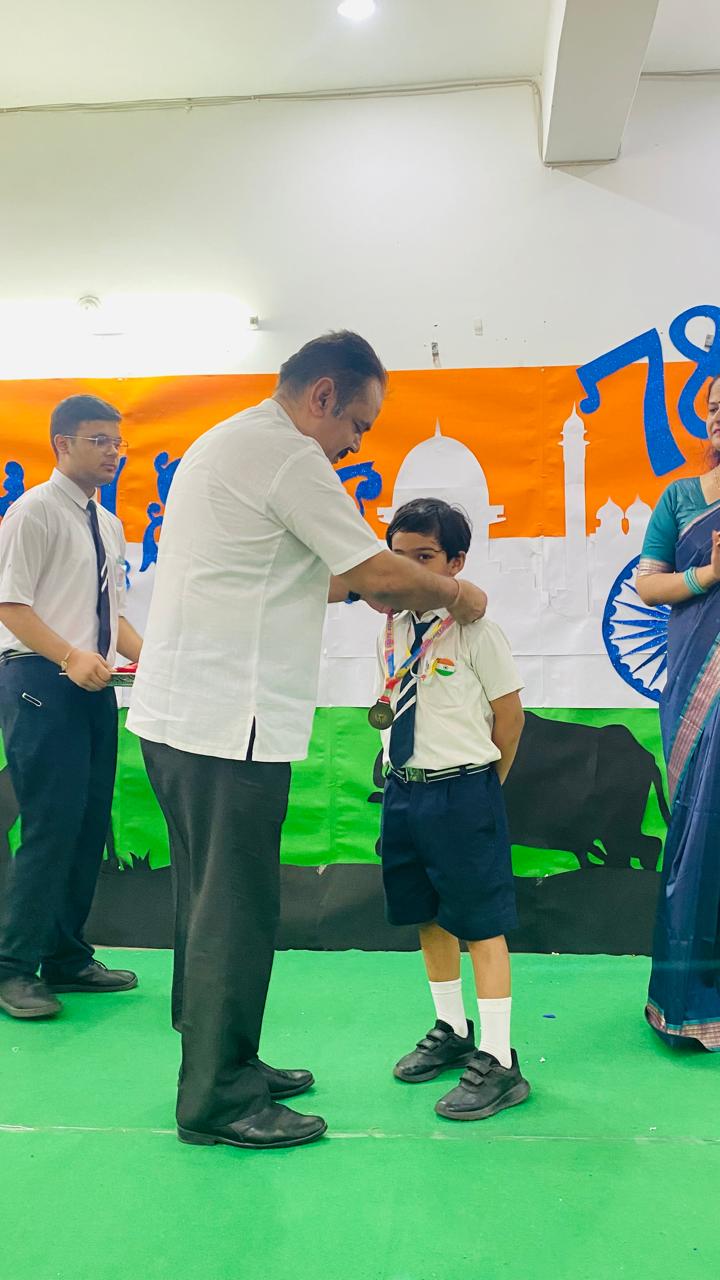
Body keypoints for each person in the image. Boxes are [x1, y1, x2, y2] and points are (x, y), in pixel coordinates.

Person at [126, 331, 489, 1152]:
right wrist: (454, 592)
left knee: (206, 905)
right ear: (322, 395)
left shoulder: (228, 440)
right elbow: (377, 571)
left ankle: (224, 1058)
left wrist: (369, 586)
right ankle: (217, 1098)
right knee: (234, 911)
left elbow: (296, 575)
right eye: (356, 423)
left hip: (186, 721)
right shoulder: (289, 455)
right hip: (227, 727)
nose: (355, 443)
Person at [374, 498, 529, 1120]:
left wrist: (483, 786)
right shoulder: (391, 628)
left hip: (463, 791)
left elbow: (509, 719)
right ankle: (452, 1028)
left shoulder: (477, 632)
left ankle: (499, 1057)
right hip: (404, 790)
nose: (410, 569)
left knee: (481, 924)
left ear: (456, 563)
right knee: (427, 915)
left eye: (426, 556)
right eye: (399, 555)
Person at [0, 395, 143, 1020]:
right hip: (41, 680)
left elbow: (110, 617)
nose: (113, 453)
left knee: (89, 825)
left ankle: (66, 956)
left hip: (93, 684)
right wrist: (67, 656)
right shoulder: (33, 512)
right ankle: (12, 968)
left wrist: (154, 658)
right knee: (50, 826)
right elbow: (10, 604)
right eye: (98, 441)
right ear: (62, 444)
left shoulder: (106, 523)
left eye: (117, 442)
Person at [636, 374, 720, 1051]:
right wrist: (708, 576)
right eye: (713, 407)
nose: (718, 416)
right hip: (699, 683)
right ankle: (691, 1008)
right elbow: (648, 583)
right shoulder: (681, 498)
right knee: (700, 826)